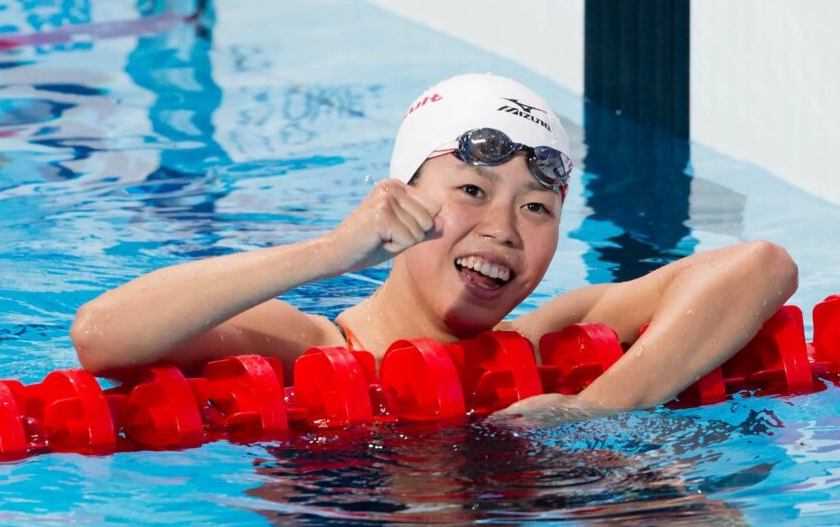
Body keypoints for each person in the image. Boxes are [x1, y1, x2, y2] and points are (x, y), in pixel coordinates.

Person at [70, 73, 797, 413]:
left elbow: (761, 266)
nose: (503, 231)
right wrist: (331, 252)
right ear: (400, 199)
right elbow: (102, 337)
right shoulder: (309, 349)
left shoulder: (547, 338)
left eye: (537, 207)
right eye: (472, 192)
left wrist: (604, 404)